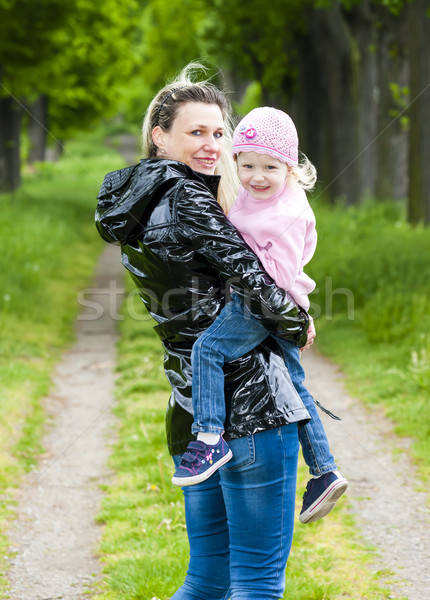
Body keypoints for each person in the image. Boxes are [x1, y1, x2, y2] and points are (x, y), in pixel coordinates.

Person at [95, 64, 313, 600]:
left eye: (220, 133)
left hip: (192, 408)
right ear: (159, 135)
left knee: (206, 580)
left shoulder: (138, 202)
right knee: (258, 583)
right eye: (196, 132)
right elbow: (259, 285)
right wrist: (299, 320)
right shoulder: (190, 198)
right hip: (254, 406)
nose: (212, 144)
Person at [172, 107, 348, 525]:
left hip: (263, 305)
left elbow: (278, 277)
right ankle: (324, 470)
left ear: (289, 167)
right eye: (247, 165)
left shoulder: (288, 212)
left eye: (269, 167)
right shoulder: (257, 196)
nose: (256, 176)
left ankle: (209, 437)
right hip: (268, 304)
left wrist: (286, 313)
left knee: (208, 350)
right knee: (295, 388)